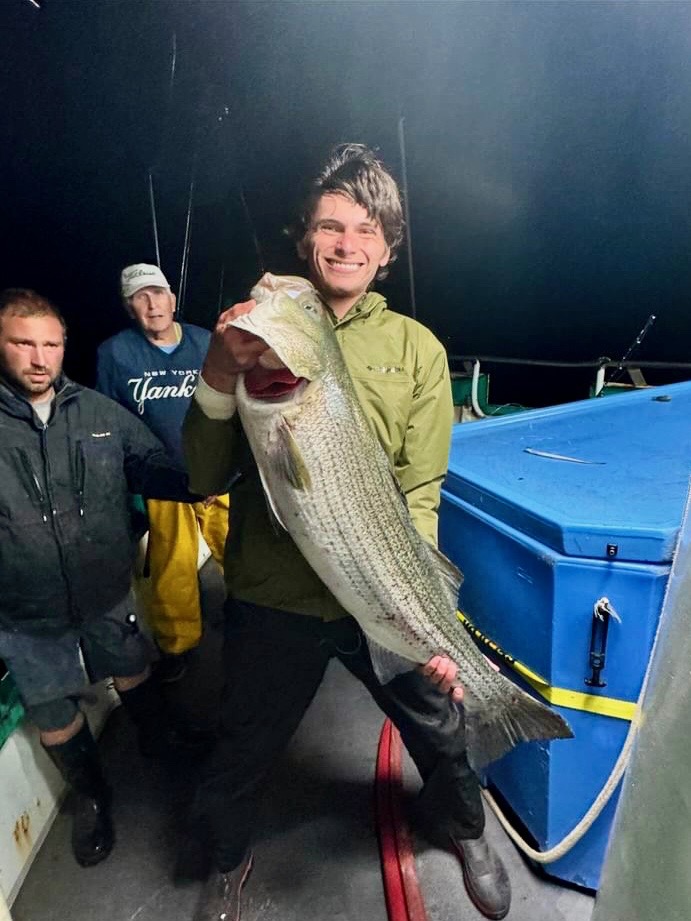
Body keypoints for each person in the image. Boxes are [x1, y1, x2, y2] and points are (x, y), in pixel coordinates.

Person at [182, 145, 511, 921]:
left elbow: (420, 491)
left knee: (443, 731)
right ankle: (228, 859)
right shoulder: (258, 333)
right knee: (242, 745)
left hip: (381, 597)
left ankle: (465, 828)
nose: (345, 242)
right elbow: (201, 474)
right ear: (306, 238)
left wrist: (420, 605)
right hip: (275, 596)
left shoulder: (416, 350)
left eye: (366, 229)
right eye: (330, 225)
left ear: (387, 250)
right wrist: (221, 371)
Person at [0, 288, 207, 869]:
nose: (39, 358)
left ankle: (158, 743)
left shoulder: (97, 412)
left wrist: (216, 470)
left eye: (51, 344)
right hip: (22, 610)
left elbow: (155, 467)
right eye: (22, 343)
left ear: (65, 346)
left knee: (133, 666)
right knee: (52, 711)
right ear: (2, 346)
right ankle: (92, 795)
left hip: (104, 590)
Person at [96, 264, 229, 682]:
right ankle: (179, 649)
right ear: (128, 307)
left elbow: (232, 405)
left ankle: (256, 628)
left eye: (158, 293)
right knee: (172, 569)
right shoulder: (115, 354)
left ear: (173, 298)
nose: (152, 304)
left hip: (220, 476)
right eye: (140, 297)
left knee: (243, 553)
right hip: (162, 483)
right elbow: (107, 423)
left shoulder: (206, 342)